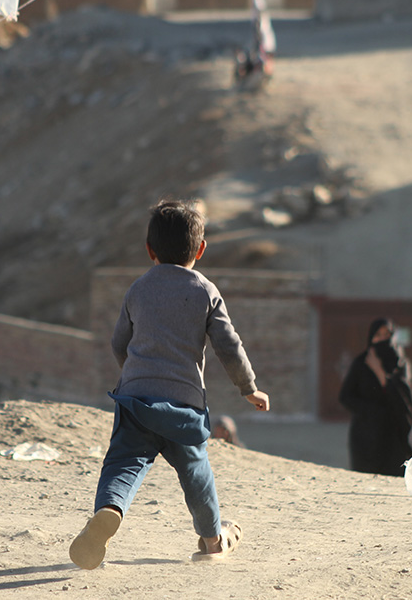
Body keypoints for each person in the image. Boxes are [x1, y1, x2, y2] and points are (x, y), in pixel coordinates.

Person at [69, 199, 271, 569]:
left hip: (135, 401)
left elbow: (119, 343)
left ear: (149, 250)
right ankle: (212, 540)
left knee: (122, 464)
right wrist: (249, 388)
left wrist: (135, 376)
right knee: (197, 475)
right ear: (201, 249)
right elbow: (229, 345)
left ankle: (108, 510)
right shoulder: (206, 291)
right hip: (184, 408)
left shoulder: (138, 290)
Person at [338, 318, 412, 477]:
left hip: (395, 434)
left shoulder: (400, 363)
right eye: (378, 335)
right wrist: (372, 411)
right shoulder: (361, 363)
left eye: (386, 335)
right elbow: (345, 397)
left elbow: (406, 399)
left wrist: (381, 375)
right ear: (371, 337)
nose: (382, 339)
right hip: (367, 433)